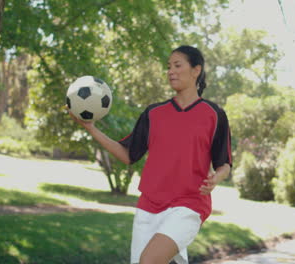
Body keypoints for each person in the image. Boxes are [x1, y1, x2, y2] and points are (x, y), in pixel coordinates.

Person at [68, 45, 232, 264]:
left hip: (189, 203)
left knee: (149, 260)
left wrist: (216, 178)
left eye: (177, 65)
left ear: (196, 70)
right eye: (168, 67)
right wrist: (91, 128)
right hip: (149, 205)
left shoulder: (214, 115)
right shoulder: (154, 113)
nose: (170, 71)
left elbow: (225, 163)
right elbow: (128, 155)